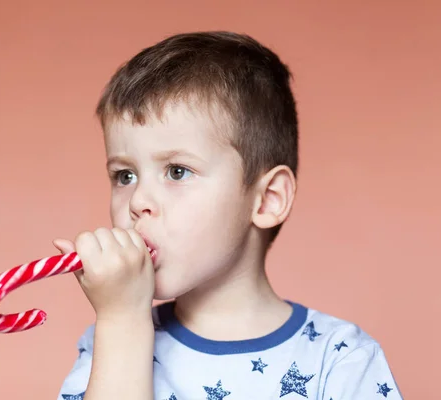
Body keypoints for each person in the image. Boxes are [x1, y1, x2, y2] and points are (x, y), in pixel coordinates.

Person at [53, 31, 402, 399]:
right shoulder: (110, 345)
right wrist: (122, 323)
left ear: (267, 199)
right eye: (125, 175)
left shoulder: (340, 361)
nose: (138, 200)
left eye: (176, 171)